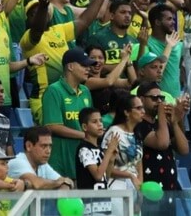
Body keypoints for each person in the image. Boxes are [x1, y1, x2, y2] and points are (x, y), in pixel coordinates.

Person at [42, 47, 94, 180]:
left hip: (82, 158)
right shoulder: (54, 91)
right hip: (61, 160)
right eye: (84, 65)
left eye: (89, 65)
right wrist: (84, 135)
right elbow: (52, 126)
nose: (88, 69)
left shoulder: (85, 91)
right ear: (70, 66)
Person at [137, 81, 189, 204]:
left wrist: (175, 121)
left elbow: (184, 149)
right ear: (142, 100)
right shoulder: (138, 124)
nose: (159, 102)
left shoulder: (162, 124)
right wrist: (161, 114)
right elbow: (162, 143)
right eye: (154, 98)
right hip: (149, 189)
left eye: (161, 98)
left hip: (170, 188)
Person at [76, 107, 118, 215]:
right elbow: (98, 176)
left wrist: (111, 161)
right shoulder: (84, 149)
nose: (100, 124)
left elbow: (105, 178)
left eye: (100, 121)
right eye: (94, 122)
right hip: (90, 207)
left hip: (104, 205)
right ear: (85, 127)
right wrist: (108, 152)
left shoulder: (99, 148)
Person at [8, 126, 72, 190]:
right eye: (43, 146)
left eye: (50, 146)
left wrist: (64, 185)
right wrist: (59, 182)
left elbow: (66, 182)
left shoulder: (42, 164)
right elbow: (36, 183)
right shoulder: (17, 162)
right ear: (29, 146)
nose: (48, 151)